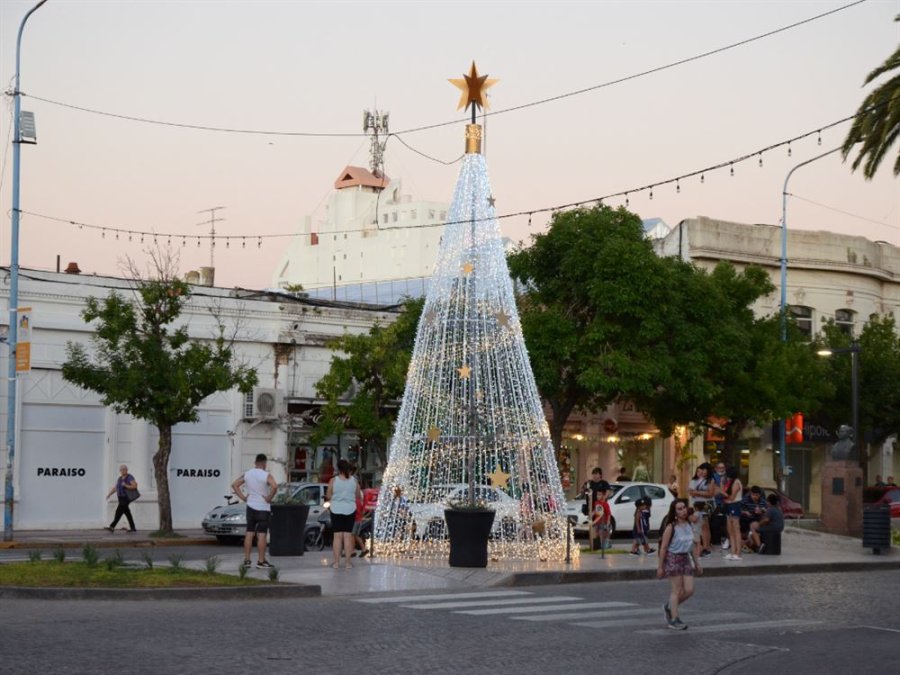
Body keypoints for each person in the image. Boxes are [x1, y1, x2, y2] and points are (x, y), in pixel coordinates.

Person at [657, 498, 702, 630]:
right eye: (679, 509)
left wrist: (697, 562)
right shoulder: (671, 527)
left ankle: (669, 606)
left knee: (689, 590)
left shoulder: (689, 525)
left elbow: (692, 546)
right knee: (676, 590)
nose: (683, 511)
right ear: (674, 512)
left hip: (685, 558)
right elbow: (663, 548)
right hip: (673, 558)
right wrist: (660, 567)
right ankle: (674, 619)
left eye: (684, 508)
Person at [231, 453, 278, 569]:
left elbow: (234, 485)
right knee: (262, 534)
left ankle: (247, 560)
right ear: (264, 463)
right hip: (263, 507)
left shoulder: (248, 474)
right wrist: (269, 498)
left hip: (250, 506)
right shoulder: (266, 475)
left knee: (249, 533)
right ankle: (261, 561)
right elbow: (275, 486)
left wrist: (243, 497)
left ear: (255, 463)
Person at [327, 458, 363, 569]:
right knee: (347, 536)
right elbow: (358, 496)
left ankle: (336, 563)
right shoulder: (354, 481)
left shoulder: (333, 480)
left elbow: (328, 495)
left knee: (337, 537)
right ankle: (348, 563)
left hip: (336, 509)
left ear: (338, 469)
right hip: (350, 510)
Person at [687, 463, 715, 557]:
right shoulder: (698, 480)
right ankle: (705, 546)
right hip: (698, 505)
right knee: (702, 527)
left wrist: (697, 493)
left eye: (704, 470)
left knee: (704, 526)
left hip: (707, 505)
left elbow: (711, 493)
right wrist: (695, 493)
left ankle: (706, 547)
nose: (702, 472)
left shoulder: (711, 480)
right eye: (701, 470)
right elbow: (691, 492)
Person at [106, 464, 138, 533]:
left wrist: (126, 485)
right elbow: (116, 488)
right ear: (120, 471)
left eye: (124, 469)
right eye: (121, 470)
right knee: (127, 513)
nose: (123, 471)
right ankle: (133, 528)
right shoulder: (120, 478)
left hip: (126, 498)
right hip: (120, 498)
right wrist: (109, 494)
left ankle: (112, 526)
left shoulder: (130, 477)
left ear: (127, 470)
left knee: (118, 512)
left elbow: (135, 486)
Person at [721, 466, 744, 561]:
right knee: (730, 530)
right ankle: (732, 551)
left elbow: (732, 497)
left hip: (735, 505)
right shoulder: (729, 482)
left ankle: (738, 552)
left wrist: (722, 492)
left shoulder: (736, 482)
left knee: (736, 529)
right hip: (729, 506)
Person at [739, 486, 767, 552]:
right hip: (745, 519)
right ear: (750, 493)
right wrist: (745, 512)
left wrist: (761, 511)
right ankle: (744, 543)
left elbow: (766, 510)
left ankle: (757, 545)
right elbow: (738, 509)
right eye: (753, 495)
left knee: (754, 526)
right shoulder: (745, 500)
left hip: (756, 520)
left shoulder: (763, 502)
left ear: (760, 495)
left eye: (757, 495)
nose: (755, 497)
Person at [584, 468, 605, 550]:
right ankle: (593, 545)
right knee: (592, 526)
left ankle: (598, 545)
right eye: (593, 474)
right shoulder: (589, 483)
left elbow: (607, 492)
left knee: (598, 526)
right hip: (590, 507)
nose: (594, 476)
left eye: (596, 474)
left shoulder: (603, 483)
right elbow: (584, 491)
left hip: (598, 508)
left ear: (600, 475)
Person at [591, 481, 612, 551]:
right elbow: (596, 510)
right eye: (597, 495)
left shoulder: (605, 504)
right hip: (597, 521)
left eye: (599, 495)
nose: (598, 496)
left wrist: (608, 522)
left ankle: (603, 544)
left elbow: (608, 513)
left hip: (603, 522)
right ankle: (599, 544)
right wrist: (592, 514)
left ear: (603, 496)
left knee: (602, 533)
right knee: (597, 533)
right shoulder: (596, 502)